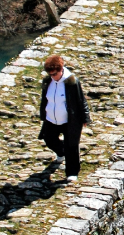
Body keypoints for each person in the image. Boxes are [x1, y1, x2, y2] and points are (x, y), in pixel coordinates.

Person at [38, 54, 91, 182]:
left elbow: (81, 100)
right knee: (48, 139)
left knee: (71, 146)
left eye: (55, 74)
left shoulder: (72, 82)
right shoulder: (48, 81)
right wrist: (43, 114)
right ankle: (61, 152)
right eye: (51, 74)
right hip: (51, 119)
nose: (53, 77)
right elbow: (45, 100)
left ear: (61, 69)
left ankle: (72, 172)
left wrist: (85, 118)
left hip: (70, 120)